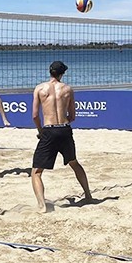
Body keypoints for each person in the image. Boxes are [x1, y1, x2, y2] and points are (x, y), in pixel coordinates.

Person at [30, 61, 92, 213]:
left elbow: (35, 115)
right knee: (74, 163)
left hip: (49, 130)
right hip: (64, 129)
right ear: (62, 73)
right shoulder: (67, 89)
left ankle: (42, 206)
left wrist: (40, 131)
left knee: (36, 172)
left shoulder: (40, 88)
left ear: (50, 72)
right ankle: (88, 195)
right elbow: (72, 116)